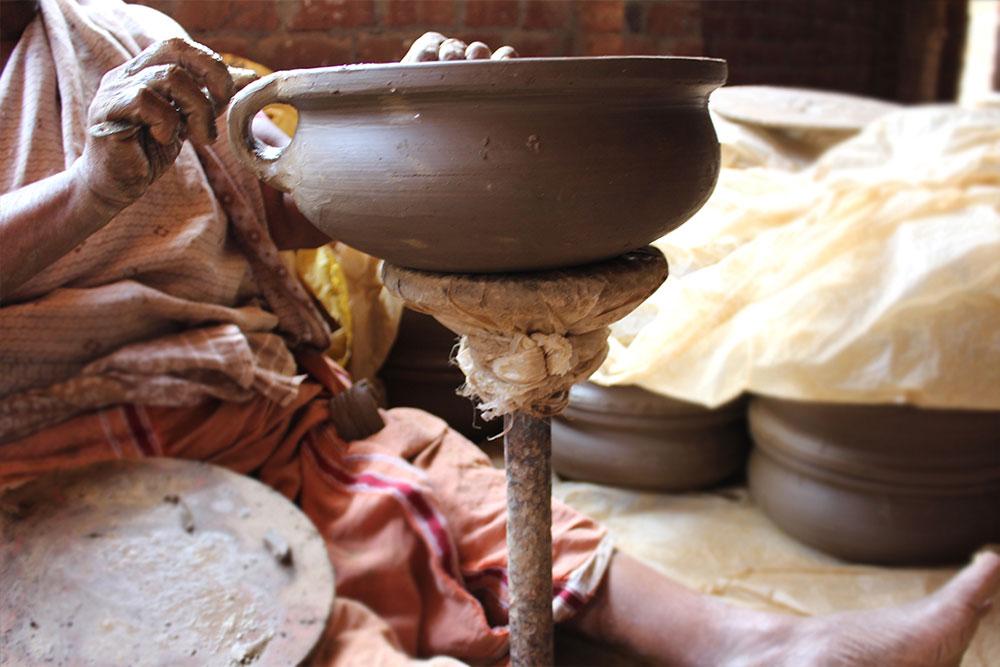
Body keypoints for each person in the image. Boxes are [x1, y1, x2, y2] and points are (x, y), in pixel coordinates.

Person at [1, 1, 998, 664]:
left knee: (437, 475)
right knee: (286, 620)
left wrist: (404, 113)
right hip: (46, 457)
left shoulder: (122, 32)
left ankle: (755, 643)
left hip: (243, 404)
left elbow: (278, 207)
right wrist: (88, 194)